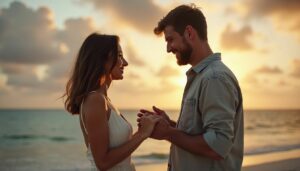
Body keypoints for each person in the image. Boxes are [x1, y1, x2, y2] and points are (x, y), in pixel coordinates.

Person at [138, 4, 244, 171]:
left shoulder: (214, 78)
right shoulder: (201, 77)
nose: (168, 49)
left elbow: (217, 144)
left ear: (189, 33)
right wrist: (171, 126)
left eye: (170, 39)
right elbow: (199, 132)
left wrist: (168, 133)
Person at [64, 33, 160, 171]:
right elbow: (103, 162)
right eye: (120, 56)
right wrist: (142, 134)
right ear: (103, 60)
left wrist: (145, 129)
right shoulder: (95, 100)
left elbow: (117, 152)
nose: (125, 63)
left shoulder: (104, 100)